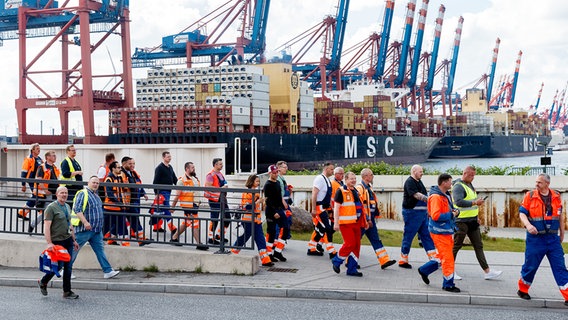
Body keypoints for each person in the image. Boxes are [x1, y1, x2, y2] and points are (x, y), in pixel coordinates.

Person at [517, 173, 568, 305]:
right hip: (535, 239)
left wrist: (562, 233)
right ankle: (523, 289)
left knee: (560, 267)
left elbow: (560, 216)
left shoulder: (556, 196)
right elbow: (522, 213)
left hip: (552, 239)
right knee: (531, 266)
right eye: (536, 182)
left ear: (547, 184)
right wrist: (528, 225)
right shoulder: (530, 196)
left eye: (539, 182)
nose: (536, 184)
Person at [452, 165, 502, 280]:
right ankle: (449, 270)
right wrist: (475, 202)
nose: (473, 178)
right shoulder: (458, 187)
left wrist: (476, 216)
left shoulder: (469, 184)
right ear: (464, 173)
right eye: (471, 175)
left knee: (478, 245)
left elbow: (471, 203)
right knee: (456, 246)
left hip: (472, 221)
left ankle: (487, 271)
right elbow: (458, 202)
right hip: (461, 221)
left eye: (474, 175)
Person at [417, 173, 461, 293]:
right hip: (440, 232)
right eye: (450, 182)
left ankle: (424, 270)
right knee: (448, 258)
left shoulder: (444, 195)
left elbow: (443, 211)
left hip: (444, 231)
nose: (451, 184)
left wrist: (453, 211)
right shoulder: (437, 197)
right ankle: (448, 284)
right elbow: (436, 216)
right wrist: (452, 214)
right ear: (443, 182)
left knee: (442, 257)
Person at [70, 176, 120, 279]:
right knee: (74, 250)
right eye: (93, 182)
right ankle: (65, 270)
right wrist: (85, 222)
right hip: (84, 229)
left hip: (96, 230)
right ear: (88, 182)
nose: (95, 185)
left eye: (97, 183)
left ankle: (108, 271)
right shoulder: (83, 193)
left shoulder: (96, 196)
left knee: (100, 250)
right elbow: (77, 209)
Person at [38, 186, 80, 299]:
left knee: (69, 266)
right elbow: (46, 227)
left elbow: (69, 224)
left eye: (66, 193)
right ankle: (43, 281)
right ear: (57, 194)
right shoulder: (51, 208)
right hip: (57, 242)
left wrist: (74, 240)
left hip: (68, 240)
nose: (64, 195)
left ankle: (67, 291)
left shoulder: (67, 206)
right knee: (59, 266)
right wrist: (49, 243)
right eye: (62, 193)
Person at [356, 168, 396, 269]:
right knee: (355, 241)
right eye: (371, 174)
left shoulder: (368, 187)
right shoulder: (360, 188)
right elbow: (360, 205)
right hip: (364, 220)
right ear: (366, 176)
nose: (373, 176)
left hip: (370, 219)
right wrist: (367, 219)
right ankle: (349, 261)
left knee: (376, 239)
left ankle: (384, 260)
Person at [331, 172, 369, 277]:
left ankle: (352, 269)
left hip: (357, 224)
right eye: (351, 179)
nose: (353, 180)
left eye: (354, 178)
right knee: (350, 244)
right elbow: (336, 208)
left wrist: (365, 221)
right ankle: (337, 260)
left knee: (356, 246)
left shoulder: (356, 191)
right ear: (346, 180)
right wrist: (336, 223)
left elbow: (361, 208)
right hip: (345, 224)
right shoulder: (341, 191)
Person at [231, 174, 274, 267]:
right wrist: (258, 202)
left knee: (260, 239)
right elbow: (246, 207)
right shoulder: (247, 193)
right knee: (244, 238)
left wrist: (261, 201)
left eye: (259, 181)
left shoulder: (256, 192)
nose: (258, 183)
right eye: (257, 181)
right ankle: (233, 252)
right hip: (248, 221)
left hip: (256, 221)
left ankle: (266, 260)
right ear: (252, 182)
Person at [399, 165, 436, 269]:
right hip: (412, 214)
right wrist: (430, 200)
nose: (422, 173)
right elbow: (416, 195)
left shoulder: (419, 182)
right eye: (420, 171)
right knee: (409, 235)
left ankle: (434, 258)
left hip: (422, 214)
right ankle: (403, 259)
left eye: (422, 171)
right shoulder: (410, 182)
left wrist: (428, 210)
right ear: (414, 171)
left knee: (427, 235)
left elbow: (423, 194)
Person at [170, 161, 208, 250]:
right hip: (188, 206)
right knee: (195, 224)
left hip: (194, 205)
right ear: (187, 169)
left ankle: (174, 238)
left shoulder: (194, 178)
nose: (194, 169)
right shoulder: (181, 181)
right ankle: (199, 244)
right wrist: (172, 207)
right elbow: (177, 196)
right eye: (192, 168)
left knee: (186, 223)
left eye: (194, 167)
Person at [307, 162, 336, 257]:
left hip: (324, 208)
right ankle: (332, 251)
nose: (333, 171)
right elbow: (314, 193)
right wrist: (314, 209)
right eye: (331, 169)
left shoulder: (327, 180)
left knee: (321, 229)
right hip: (319, 209)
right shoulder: (320, 179)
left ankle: (311, 248)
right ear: (326, 169)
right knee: (327, 228)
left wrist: (330, 209)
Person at [28, 150, 60, 233]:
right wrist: (46, 191)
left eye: (55, 155)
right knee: (47, 213)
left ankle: (51, 230)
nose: (55, 157)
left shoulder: (54, 167)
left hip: (55, 194)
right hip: (47, 195)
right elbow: (39, 181)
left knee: (54, 212)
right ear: (47, 157)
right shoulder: (42, 167)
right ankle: (32, 224)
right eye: (53, 155)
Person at [120, 156, 149, 245]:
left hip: (134, 201)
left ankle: (141, 239)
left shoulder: (133, 173)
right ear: (124, 164)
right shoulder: (122, 174)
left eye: (133, 163)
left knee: (134, 220)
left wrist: (143, 193)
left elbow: (138, 184)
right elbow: (123, 187)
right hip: (126, 202)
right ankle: (140, 239)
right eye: (130, 164)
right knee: (120, 222)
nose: (132, 165)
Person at [263, 165, 289, 262]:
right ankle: (269, 253)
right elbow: (268, 201)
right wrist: (274, 212)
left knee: (285, 229)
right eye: (274, 173)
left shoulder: (278, 182)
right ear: (270, 173)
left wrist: (283, 207)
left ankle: (278, 251)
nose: (276, 174)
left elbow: (279, 197)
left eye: (277, 172)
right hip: (271, 210)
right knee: (271, 232)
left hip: (279, 209)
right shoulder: (268, 185)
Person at [204, 158, 230, 244]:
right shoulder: (210, 175)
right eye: (220, 164)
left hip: (222, 198)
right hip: (214, 199)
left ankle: (219, 235)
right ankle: (210, 238)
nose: (222, 165)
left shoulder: (220, 174)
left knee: (227, 217)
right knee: (214, 218)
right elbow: (208, 187)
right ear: (215, 165)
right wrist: (221, 188)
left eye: (222, 164)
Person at [103, 161, 129, 246]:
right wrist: (119, 203)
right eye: (118, 167)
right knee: (106, 226)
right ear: (113, 169)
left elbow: (122, 191)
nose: (120, 169)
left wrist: (123, 203)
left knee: (120, 224)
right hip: (110, 208)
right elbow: (110, 194)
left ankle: (118, 241)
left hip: (118, 208)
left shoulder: (119, 178)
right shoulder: (109, 179)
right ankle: (96, 240)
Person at [151, 151, 178, 234]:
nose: (169, 158)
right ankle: (172, 227)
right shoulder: (159, 168)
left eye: (170, 156)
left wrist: (180, 186)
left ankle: (156, 227)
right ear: (163, 157)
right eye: (168, 157)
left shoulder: (170, 167)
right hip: (162, 191)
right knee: (166, 208)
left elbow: (174, 178)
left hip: (168, 191)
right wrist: (156, 193)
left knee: (159, 209)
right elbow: (155, 181)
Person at [18, 143, 43, 220]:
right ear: (32, 150)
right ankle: (41, 215)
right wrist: (23, 184)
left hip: (39, 181)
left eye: (39, 148)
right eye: (37, 149)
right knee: (38, 196)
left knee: (37, 196)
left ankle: (22, 212)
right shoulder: (28, 159)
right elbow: (24, 172)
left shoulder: (39, 159)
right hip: (32, 181)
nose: (39, 150)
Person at [276, 160, 293, 240]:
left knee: (287, 220)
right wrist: (283, 203)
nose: (286, 169)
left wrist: (289, 192)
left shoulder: (282, 178)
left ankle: (284, 237)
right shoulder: (278, 179)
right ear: (279, 168)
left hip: (285, 202)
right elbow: (279, 193)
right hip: (281, 204)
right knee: (282, 222)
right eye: (285, 167)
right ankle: (278, 239)